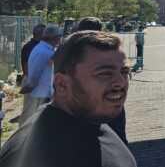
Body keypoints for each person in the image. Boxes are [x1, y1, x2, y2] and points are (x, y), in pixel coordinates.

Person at [0, 31, 136, 167]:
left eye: (124, 72)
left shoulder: (90, 118)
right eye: (105, 73)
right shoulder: (42, 153)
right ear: (62, 84)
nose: (120, 82)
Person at [74, 17, 128, 145]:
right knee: (117, 135)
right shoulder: (109, 47)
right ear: (99, 30)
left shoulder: (71, 49)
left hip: (83, 99)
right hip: (109, 97)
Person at [19, 25, 61, 125]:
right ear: (54, 38)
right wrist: (30, 86)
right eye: (59, 36)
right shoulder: (44, 52)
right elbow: (35, 74)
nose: (60, 38)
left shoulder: (45, 49)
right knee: (35, 123)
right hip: (41, 94)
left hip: (42, 93)